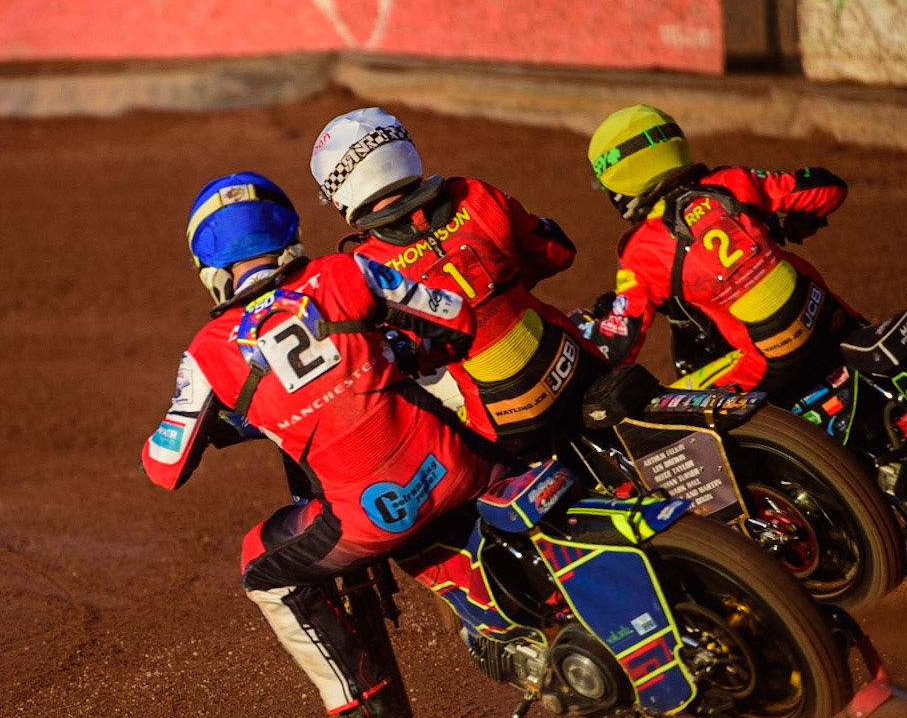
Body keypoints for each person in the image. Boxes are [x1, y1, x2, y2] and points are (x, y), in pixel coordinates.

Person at [141, 171, 504, 718]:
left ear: (209, 269)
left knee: (262, 566)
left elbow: (164, 467)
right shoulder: (346, 271)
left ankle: (367, 715)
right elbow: (455, 319)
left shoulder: (210, 350)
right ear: (287, 232)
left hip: (369, 517)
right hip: (462, 467)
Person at [309, 107, 608, 461]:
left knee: (439, 469)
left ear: (340, 192)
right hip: (578, 366)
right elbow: (557, 253)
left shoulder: (364, 267)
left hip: (504, 423)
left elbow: (401, 356)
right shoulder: (474, 194)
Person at [580, 104, 858, 396]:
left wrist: (585, 332)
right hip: (826, 315)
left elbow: (619, 346)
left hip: (769, 360)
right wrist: (797, 224)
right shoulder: (732, 182)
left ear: (619, 182)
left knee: (665, 410)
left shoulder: (642, 249)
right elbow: (828, 189)